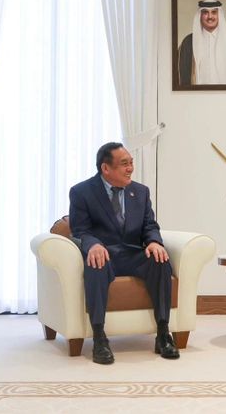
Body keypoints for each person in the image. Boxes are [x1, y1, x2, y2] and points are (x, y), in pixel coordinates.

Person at [69, 142, 179, 364]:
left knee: (160, 260)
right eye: (124, 164)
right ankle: (99, 338)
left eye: (131, 162)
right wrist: (93, 245)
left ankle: (163, 333)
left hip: (132, 254)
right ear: (105, 168)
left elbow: (149, 225)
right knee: (96, 263)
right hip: (105, 254)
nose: (130, 168)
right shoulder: (82, 192)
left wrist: (154, 242)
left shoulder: (140, 192)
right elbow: (80, 230)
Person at [178, 0, 226, 85]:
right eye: (205, 12)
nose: (210, 17)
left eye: (214, 12)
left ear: (219, 15)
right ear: (200, 15)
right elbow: (182, 76)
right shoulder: (188, 42)